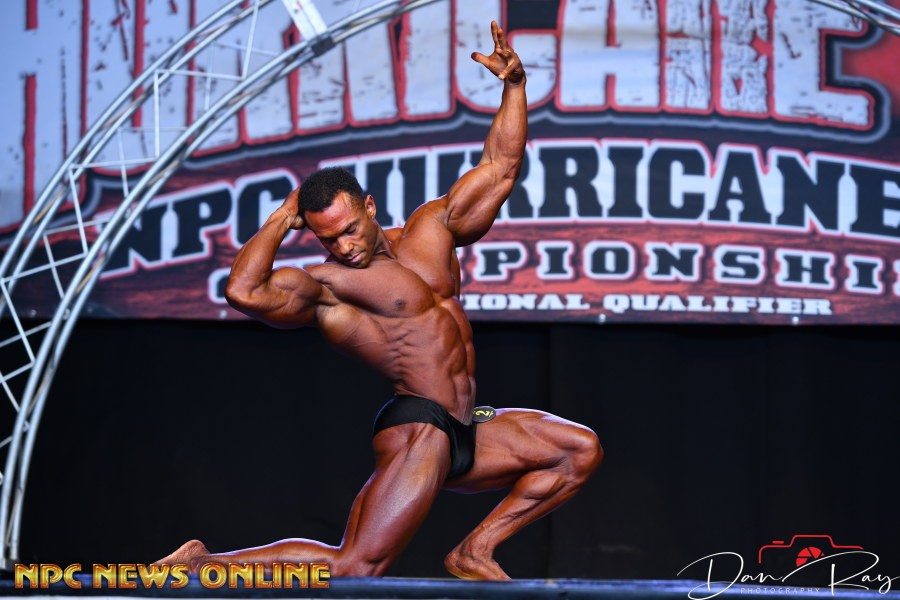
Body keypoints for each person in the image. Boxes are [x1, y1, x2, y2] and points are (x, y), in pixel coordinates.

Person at [156, 21, 602, 581]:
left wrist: (514, 87)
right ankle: (203, 563)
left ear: (368, 206)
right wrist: (280, 220)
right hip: (420, 426)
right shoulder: (330, 286)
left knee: (577, 451)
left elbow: (500, 168)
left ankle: (475, 551)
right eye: (328, 239)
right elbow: (244, 292)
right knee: (356, 566)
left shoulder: (431, 230)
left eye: (349, 229)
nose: (344, 247)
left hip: (466, 425)